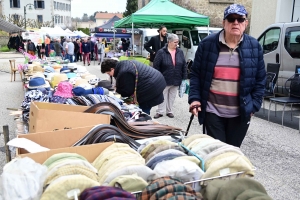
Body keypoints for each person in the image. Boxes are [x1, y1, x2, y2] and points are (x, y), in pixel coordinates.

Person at [188, 4, 266, 148]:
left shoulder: (254, 46)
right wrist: (194, 99)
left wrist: (253, 106)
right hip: (212, 111)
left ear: (245, 23)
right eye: (231, 19)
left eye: (240, 19)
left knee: (232, 152)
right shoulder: (207, 44)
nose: (235, 23)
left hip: (240, 113)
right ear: (224, 23)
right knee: (217, 152)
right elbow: (196, 75)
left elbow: (260, 80)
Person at [101, 59, 166, 115]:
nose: (110, 75)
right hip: (156, 80)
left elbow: (127, 91)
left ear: (112, 69)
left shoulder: (124, 72)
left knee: (143, 108)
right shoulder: (124, 64)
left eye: (108, 73)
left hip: (152, 86)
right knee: (144, 106)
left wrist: (117, 90)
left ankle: (144, 123)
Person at [153, 33, 187, 119]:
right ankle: (160, 111)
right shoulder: (161, 52)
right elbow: (156, 66)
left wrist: (184, 77)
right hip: (164, 79)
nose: (177, 44)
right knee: (162, 95)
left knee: (172, 96)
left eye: (178, 42)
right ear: (169, 42)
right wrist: (157, 78)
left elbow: (184, 65)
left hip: (176, 78)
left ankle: (169, 111)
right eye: (175, 42)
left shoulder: (180, 52)